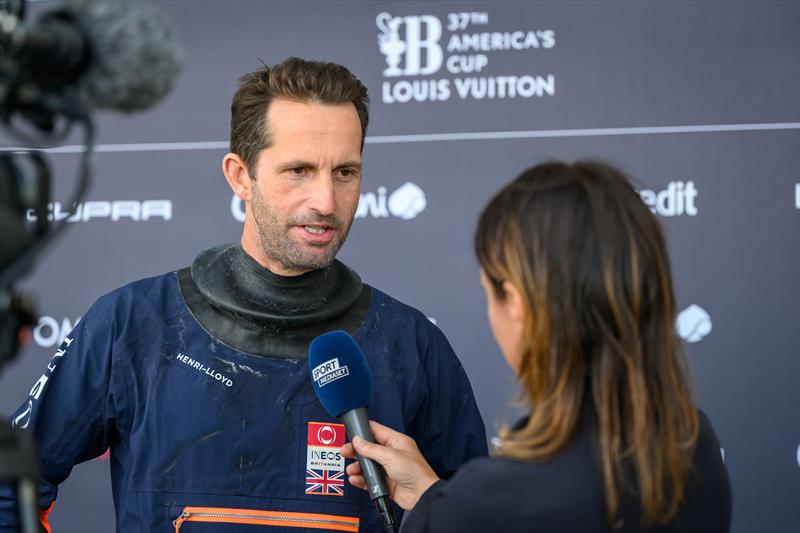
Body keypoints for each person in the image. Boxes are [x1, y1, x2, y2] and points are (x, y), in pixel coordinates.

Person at [0, 58, 487, 532]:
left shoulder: (413, 345)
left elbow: (476, 513)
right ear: (240, 176)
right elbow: (9, 484)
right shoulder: (131, 324)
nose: (325, 201)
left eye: (345, 172)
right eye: (298, 170)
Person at [343, 161, 732, 532]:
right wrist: (436, 500)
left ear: (515, 301)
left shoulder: (494, 504)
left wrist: (443, 513)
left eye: (489, 293)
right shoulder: (694, 446)